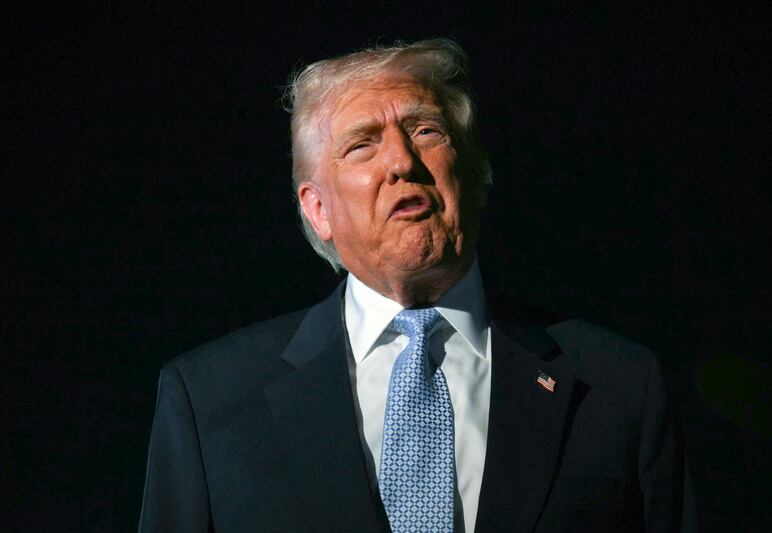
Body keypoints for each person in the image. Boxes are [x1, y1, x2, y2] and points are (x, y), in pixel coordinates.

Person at [139, 39, 695, 532]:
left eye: (426, 131)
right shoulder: (209, 399)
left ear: (474, 173)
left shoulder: (619, 385)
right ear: (317, 210)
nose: (402, 161)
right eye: (362, 145)